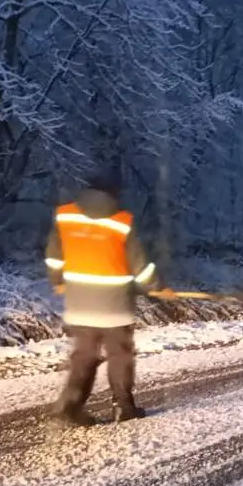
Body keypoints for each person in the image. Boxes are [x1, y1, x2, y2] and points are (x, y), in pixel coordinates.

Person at [44, 171, 157, 425]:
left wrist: (57, 280)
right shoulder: (122, 220)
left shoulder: (65, 215)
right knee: (120, 356)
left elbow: (53, 255)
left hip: (80, 304)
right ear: (114, 194)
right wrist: (154, 285)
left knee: (84, 356)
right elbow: (138, 263)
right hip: (115, 305)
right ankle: (123, 407)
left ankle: (70, 409)